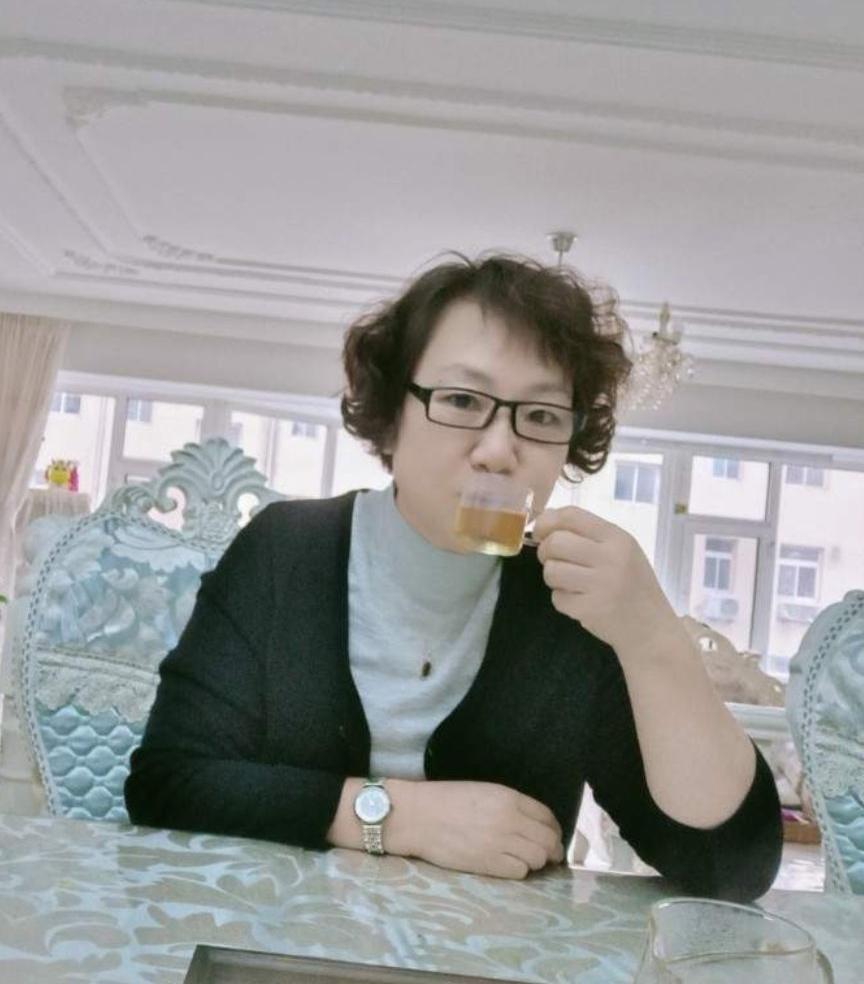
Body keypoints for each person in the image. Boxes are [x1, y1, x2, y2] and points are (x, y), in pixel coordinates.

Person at [125, 253, 782, 899]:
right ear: (392, 414)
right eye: (463, 400)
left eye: (541, 416)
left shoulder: (571, 607)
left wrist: (653, 639)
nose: (499, 451)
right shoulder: (285, 549)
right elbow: (167, 781)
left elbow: (728, 869)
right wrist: (396, 815)